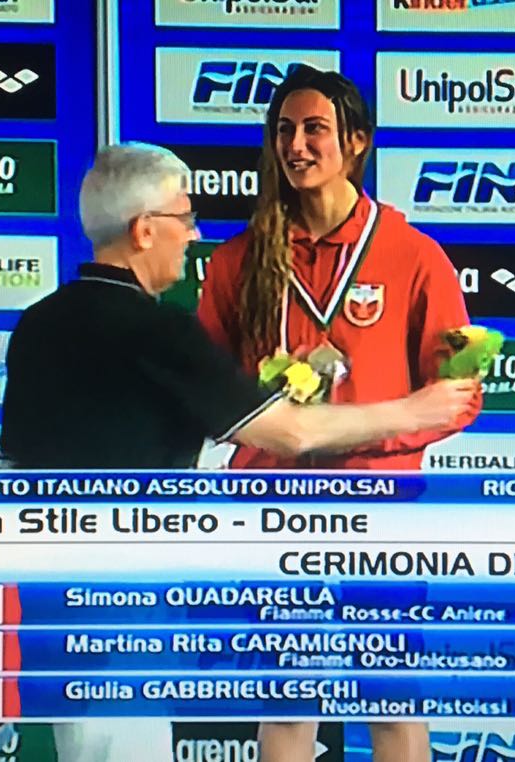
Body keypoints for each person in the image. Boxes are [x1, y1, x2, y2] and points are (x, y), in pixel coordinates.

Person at [0, 142, 478, 761]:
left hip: (43, 577)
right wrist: (411, 411)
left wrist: (272, 388)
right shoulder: (158, 329)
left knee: (82, 742)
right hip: (124, 578)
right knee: (126, 742)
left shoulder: (37, 323)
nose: (193, 235)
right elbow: (289, 434)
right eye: (184, 218)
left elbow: (48, 445)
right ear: (144, 230)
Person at [196, 65, 480, 762]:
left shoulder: (415, 256)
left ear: (356, 142)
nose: (296, 146)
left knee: (391, 700)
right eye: (284, 131)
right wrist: (263, 401)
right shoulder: (240, 261)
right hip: (273, 501)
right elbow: (207, 390)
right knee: (288, 702)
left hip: (382, 503)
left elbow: (460, 390)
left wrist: (380, 420)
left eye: (314, 129)